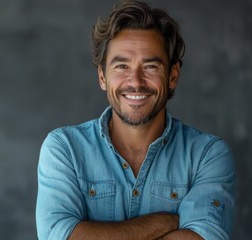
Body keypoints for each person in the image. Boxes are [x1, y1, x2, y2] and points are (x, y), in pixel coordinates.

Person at [36, 0, 235, 239]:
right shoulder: (64, 149)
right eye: (121, 66)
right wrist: (165, 223)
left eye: (150, 66)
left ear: (173, 76)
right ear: (102, 77)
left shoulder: (207, 155)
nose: (136, 82)